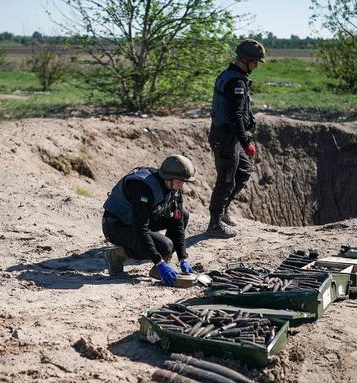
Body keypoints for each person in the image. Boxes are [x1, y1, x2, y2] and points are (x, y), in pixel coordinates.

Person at [102, 155, 196, 286]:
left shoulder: (174, 187)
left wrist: (182, 258)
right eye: (180, 181)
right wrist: (159, 262)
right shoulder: (143, 187)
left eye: (184, 181)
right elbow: (141, 229)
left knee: (183, 215)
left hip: (138, 220)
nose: (182, 185)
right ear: (168, 177)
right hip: (115, 225)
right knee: (165, 245)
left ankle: (159, 267)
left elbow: (178, 223)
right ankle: (117, 255)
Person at [206, 39, 266, 238]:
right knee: (226, 179)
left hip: (229, 136)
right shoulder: (236, 81)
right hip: (225, 136)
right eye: (255, 61)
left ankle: (223, 210)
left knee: (244, 170)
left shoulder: (232, 75)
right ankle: (214, 224)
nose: (257, 65)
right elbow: (236, 116)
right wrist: (246, 141)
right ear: (245, 60)